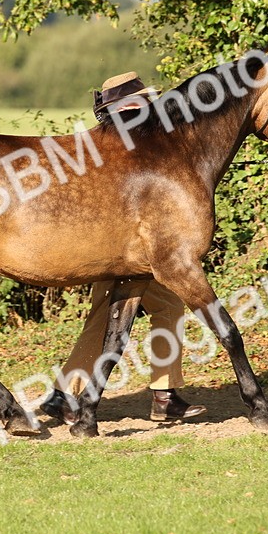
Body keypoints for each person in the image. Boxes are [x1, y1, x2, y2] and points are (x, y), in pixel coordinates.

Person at [40, 72, 207, 424]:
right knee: (158, 309)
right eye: (141, 103)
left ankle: (66, 393)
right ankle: (162, 395)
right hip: (125, 248)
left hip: (118, 247)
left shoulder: (109, 141)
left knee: (112, 316)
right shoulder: (127, 138)